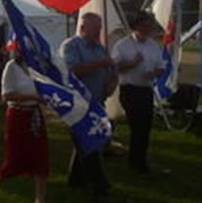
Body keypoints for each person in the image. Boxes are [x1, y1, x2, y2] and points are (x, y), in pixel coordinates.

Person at [60, 12, 113, 197]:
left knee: (85, 144)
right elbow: (72, 72)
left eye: (100, 27)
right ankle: (99, 186)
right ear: (83, 28)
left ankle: (75, 180)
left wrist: (110, 84)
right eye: (96, 28)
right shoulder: (70, 46)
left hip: (97, 102)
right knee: (90, 146)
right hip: (78, 106)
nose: (99, 31)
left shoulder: (100, 48)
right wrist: (99, 64)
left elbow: (111, 70)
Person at [0, 48, 48, 203]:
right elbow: (7, 95)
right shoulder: (11, 67)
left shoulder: (36, 67)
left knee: (40, 155)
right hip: (17, 115)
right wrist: (33, 96)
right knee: (15, 157)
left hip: (35, 115)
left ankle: (39, 199)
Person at [112, 11, 165, 175]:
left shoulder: (153, 45)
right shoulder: (122, 45)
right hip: (130, 90)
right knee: (137, 126)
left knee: (146, 127)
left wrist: (156, 72)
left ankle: (139, 159)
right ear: (135, 26)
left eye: (149, 24)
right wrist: (132, 63)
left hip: (146, 90)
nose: (147, 28)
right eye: (144, 24)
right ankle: (137, 162)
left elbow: (161, 66)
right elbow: (114, 68)